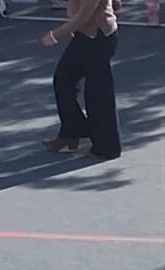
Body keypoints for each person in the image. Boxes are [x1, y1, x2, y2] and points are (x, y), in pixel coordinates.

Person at [40, 0, 121, 161]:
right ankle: (71, 132)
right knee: (63, 79)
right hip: (84, 35)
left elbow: (84, 15)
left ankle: (107, 148)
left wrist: (55, 35)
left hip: (100, 38)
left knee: (98, 94)